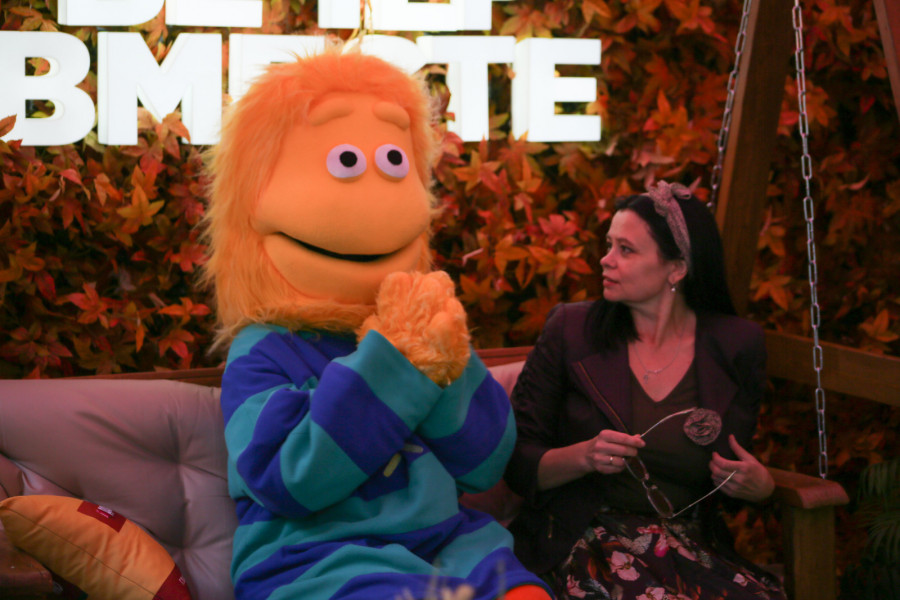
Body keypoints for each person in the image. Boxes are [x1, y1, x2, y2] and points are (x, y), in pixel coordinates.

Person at [503, 181, 787, 600]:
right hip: (583, 539)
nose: (606, 259)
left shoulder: (736, 345)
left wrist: (761, 487)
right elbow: (516, 463)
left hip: (688, 548)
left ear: (677, 268)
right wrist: (584, 456)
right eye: (609, 245)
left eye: (626, 249)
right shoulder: (571, 330)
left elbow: (730, 478)